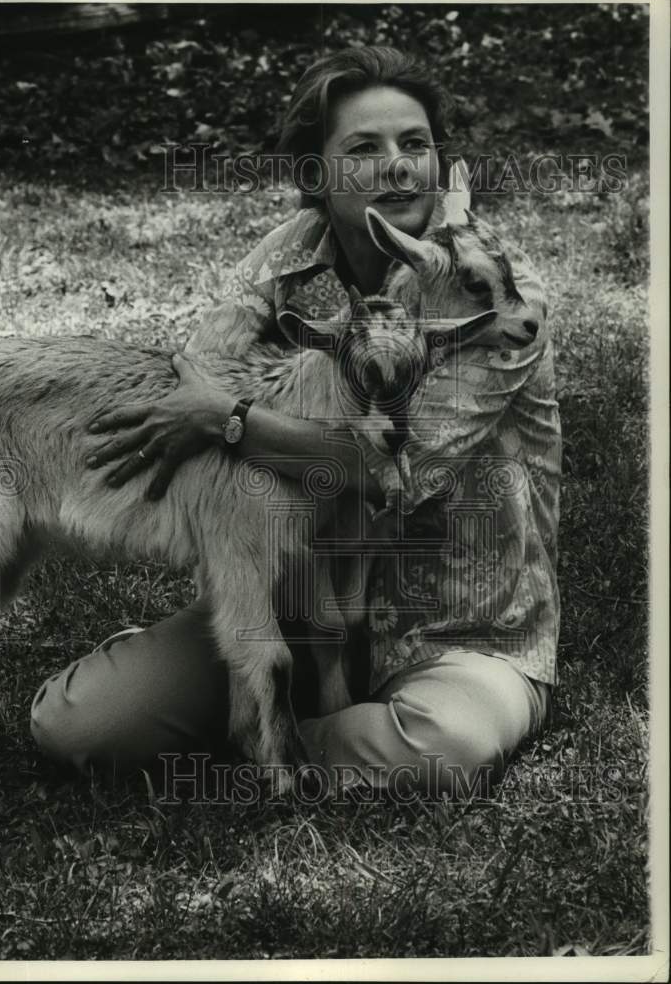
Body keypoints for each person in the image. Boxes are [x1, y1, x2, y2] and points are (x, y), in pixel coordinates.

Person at [29, 46, 561, 800]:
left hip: (459, 633)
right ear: (316, 175)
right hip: (294, 603)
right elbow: (195, 376)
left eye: (415, 144)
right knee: (77, 725)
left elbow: (388, 469)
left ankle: (269, 741)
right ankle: (265, 712)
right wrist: (216, 411)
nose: (399, 167)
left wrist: (235, 421)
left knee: (448, 744)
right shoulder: (291, 259)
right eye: (363, 149)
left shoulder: (499, 297)